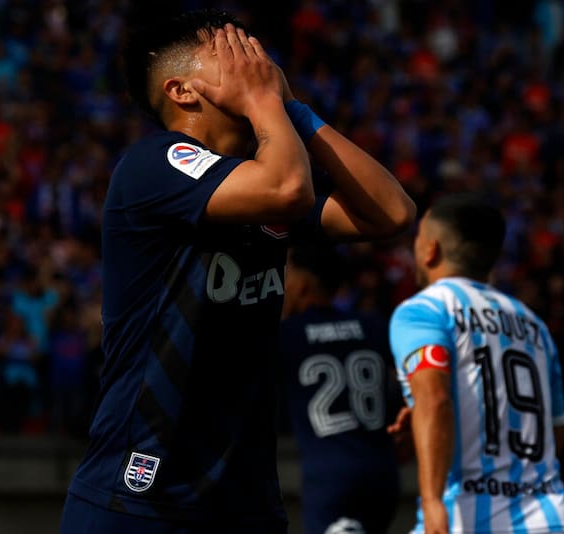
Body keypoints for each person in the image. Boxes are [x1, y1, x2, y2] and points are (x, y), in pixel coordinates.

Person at [59, 8, 415, 534]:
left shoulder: (263, 183)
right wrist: (266, 102)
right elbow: (289, 189)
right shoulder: (154, 164)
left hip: (245, 500)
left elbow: (391, 212)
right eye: (227, 53)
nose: (255, 61)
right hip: (139, 499)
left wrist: (293, 109)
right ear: (182, 91)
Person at [387, 194, 564, 533]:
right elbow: (554, 432)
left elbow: (435, 398)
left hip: (468, 517)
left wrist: (431, 502)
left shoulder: (424, 310)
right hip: (551, 519)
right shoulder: (532, 323)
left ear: (430, 249)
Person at [279, 244, 401, 534]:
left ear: (302, 284)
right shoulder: (373, 326)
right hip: (383, 473)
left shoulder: (286, 335)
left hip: (330, 477)